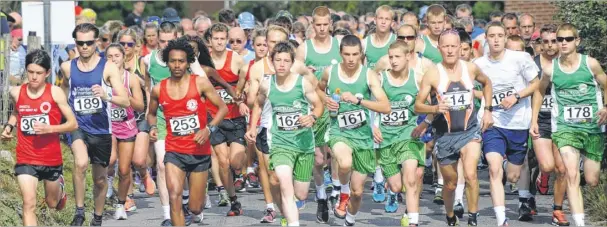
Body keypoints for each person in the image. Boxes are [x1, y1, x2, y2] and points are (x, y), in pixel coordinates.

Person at [414, 29, 494, 226]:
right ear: (439, 48)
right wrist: (434, 108)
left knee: (471, 174)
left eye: (453, 46)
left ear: (460, 48)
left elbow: (488, 84)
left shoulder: (470, 69)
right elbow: (417, 106)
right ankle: (450, 215)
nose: (450, 50)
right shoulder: (432, 74)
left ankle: (473, 218)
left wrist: (488, 110)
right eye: (446, 46)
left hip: (469, 131)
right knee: (449, 183)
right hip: (444, 135)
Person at [531, 23, 607, 227]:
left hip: (592, 127)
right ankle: (579, 223)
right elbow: (539, 91)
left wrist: (606, 107)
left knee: (591, 180)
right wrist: (534, 120)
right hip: (565, 128)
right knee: (570, 173)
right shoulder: (550, 69)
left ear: (577, 41)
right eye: (560, 39)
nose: (563, 43)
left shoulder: (590, 64)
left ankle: (586, 166)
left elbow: (606, 84)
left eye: (568, 39)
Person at [147, 38, 228, 227]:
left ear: (188, 62)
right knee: (174, 195)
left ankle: (196, 208)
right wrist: (152, 127)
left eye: (181, 61)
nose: (176, 65)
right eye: (173, 61)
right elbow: (151, 114)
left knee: (195, 207)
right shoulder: (159, 89)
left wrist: (209, 129)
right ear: (167, 62)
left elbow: (222, 108)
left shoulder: (200, 83)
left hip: (198, 152)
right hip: (174, 151)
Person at [244, 25, 318, 225]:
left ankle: (290, 206)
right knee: (281, 181)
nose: (282, 64)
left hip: (303, 142)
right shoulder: (264, 78)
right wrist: (252, 127)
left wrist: (312, 117)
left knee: (300, 194)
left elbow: (317, 102)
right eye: (278, 59)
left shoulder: (301, 80)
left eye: (286, 60)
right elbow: (257, 104)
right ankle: (289, 219)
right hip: (278, 139)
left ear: (292, 61)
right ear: (271, 58)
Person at [60, 23, 131, 226]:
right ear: (75, 43)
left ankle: (97, 218)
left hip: (101, 129)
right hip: (78, 126)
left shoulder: (108, 67)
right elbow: (63, 92)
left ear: (96, 42)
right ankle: (79, 211)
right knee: (81, 163)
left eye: (89, 43)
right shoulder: (67, 67)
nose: (84, 47)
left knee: (100, 179)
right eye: (80, 43)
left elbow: (125, 100)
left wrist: (106, 95)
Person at [318, 34, 391, 226]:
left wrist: (359, 100)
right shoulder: (330, 72)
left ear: (361, 54)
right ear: (340, 53)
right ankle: (343, 192)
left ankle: (349, 219)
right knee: (344, 163)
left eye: (355, 55)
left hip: (363, 136)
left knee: (358, 192)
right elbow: (318, 89)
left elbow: (385, 106)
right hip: (339, 131)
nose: (351, 59)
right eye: (347, 54)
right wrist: (327, 101)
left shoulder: (368, 75)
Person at [474, 21, 540, 226]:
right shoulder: (478, 64)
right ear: (486, 39)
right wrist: (486, 104)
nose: (496, 39)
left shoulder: (520, 58)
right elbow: (469, 87)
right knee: (494, 169)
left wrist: (517, 97)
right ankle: (501, 219)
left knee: (512, 175)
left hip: (518, 122)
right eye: (492, 35)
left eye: (500, 35)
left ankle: (505, 163)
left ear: (505, 37)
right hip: (493, 122)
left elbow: (537, 83)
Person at [1, 50, 77, 226]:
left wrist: (50, 128)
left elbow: (73, 124)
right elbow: (18, 111)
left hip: (51, 158)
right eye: (30, 72)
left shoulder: (56, 93)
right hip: (26, 157)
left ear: (48, 73)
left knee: (52, 204)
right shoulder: (17, 92)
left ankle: (60, 189)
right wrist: (9, 126)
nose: (34, 77)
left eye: (39, 73)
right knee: (29, 204)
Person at [294, 6, 342, 220]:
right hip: (316, 107)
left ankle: (338, 190)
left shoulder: (339, 45)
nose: (322, 29)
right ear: (312, 25)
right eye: (318, 25)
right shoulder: (304, 48)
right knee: (319, 158)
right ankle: (322, 195)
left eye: (325, 24)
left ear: (330, 24)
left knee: (338, 151)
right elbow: (295, 77)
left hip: (339, 106)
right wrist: (306, 75)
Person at [373, 41, 426, 226]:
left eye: (398, 57)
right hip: (386, 139)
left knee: (411, 178)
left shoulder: (418, 78)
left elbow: (437, 100)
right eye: (391, 57)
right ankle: (392, 188)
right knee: (397, 186)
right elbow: (370, 104)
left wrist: (426, 123)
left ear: (408, 56)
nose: (394, 61)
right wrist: (374, 126)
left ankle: (413, 221)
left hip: (408, 136)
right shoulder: (380, 79)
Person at [206, 23, 249, 216]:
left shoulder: (236, 59)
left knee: (235, 163)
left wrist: (241, 97)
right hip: (214, 118)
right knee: (222, 162)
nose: (220, 42)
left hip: (235, 118)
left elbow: (245, 84)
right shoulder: (203, 61)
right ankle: (234, 201)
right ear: (210, 40)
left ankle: (241, 173)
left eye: (223, 38)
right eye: (216, 38)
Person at [530, 24, 570, 226]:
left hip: (563, 122)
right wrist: (533, 120)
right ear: (540, 44)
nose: (550, 45)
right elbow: (532, 92)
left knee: (562, 169)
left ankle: (557, 211)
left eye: (554, 40)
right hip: (542, 120)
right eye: (545, 41)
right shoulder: (533, 64)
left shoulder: (569, 63)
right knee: (547, 165)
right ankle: (541, 176)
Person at [104, 43, 145, 220]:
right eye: (109, 56)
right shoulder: (102, 77)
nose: (113, 59)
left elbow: (140, 105)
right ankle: (108, 182)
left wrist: (125, 97)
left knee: (124, 169)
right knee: (111, 159)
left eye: (116, 56)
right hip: (109, 125)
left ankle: (121, 203)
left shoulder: (131, 79)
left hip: (127, 125)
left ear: (123, 58)